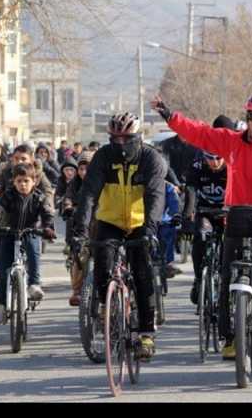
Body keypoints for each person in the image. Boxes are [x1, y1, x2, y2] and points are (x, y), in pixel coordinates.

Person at [152, 91, 252, 360]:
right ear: (247, 118)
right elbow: (198, 133)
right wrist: (170, 116)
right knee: (225, 277)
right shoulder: (231, 142)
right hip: (237, 215)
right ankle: (230, 338)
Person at [72, 113, 167, 359]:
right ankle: (107, 307)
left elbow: (156, 196)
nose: (121, 144)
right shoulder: (102, 157)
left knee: (142, 271)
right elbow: (89, 195)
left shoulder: (151, 159)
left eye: (127, 138)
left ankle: (146, 334)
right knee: (102, 266)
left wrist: (150, 229)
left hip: (139, 222)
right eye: (116, 138)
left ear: (138, 138)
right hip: (109, 221)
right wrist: (80, 231)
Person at [0, 163, 56, 322]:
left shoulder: (39, 197)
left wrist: (48, 227)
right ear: (13, 182)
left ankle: (34, 284)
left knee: (33, 251)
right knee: (4, 270)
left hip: (30, 232)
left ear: (34, 181)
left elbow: (47, 213)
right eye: (19, 181)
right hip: (9, 233)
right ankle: (2, 304)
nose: (23, 184)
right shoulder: (8, 196)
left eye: (26, 181)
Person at [186, 151, 227, 305]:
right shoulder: (197, 166)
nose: (214, 162)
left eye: (218, 158)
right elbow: (190, 191)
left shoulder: (232, 167)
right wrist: (187, 214)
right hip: (205, 211)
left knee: (229, 245)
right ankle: (198, 279)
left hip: (226, 212)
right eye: (210, 158)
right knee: (200, 237)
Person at [63, 151, 94, 306]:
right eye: (81, 169)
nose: (84, 172)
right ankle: (76, 290)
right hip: (78, 226)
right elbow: (67, 197)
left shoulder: (100, 182)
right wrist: (68, 207)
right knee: (78, 257)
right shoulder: (73, 184)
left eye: (88, 169)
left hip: (98, 225)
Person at [159, 181, 182, 278]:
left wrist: (176, 214)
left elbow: (174, 202)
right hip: (144, 219)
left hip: (165, 220)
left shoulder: (167, 187)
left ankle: (169, 263)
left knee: (168, 235)